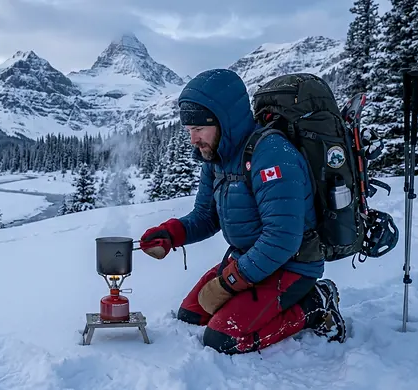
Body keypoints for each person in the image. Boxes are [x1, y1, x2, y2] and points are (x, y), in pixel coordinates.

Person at [139, 68, 346, 354]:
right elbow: (206, 216)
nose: (193, 139)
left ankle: (315, 303)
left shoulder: (272, 155)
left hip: (292, 265)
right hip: (249, 260)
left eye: (198, 129)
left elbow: (282, 238)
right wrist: (171, 233)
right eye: (189, 131)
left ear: (224, 120)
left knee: (223, 339)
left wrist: (230, 281)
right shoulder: (216, 158)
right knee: (191, 316)